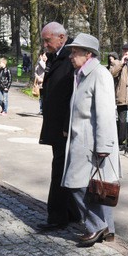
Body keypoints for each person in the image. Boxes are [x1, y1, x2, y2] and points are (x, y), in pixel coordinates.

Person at [62, 33, 120, 247]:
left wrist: (103, 145)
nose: (71, 55)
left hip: (92, 142)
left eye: (75, 52)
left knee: (75, 184)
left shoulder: (99, 74)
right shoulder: (82, 74)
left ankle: (96, 226)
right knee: (99, 187)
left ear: (88, 54)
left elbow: (105, 113)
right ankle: (109, 230)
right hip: (82, 140)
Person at [38, 22, 80, 230]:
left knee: (60, 171)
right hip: (58, 125)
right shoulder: (59, 56)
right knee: (64, 169)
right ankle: (71, 213)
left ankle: (57, 217)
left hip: (65, 127)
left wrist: (66, 124)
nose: (45, 44)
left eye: (48, 40)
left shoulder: (70, 57)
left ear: (61, 38)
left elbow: (73, 96)